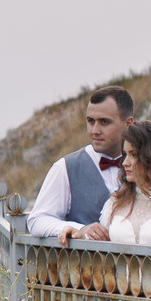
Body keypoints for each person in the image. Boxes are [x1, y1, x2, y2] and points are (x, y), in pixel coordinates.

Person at [63, 119, 151, 247]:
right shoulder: (115, 203)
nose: (125, 163)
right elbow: (102, 246)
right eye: (125, 154)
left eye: (133, 154)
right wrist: (79, 235)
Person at [25, 86, 132, 237]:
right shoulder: (66, 168)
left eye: (104, 122)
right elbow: (37, 221)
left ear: (128, 123)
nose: (95, 130)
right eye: (90, 121)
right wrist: (79, 228)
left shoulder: (146, 164)